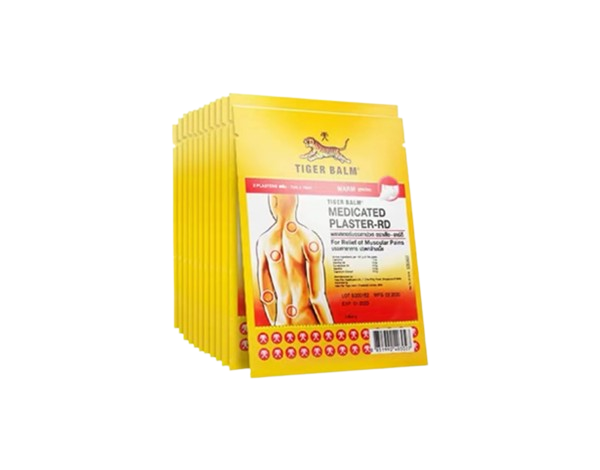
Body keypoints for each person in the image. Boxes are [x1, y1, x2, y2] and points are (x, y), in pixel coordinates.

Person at [256, 194, 334, 326]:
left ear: (274, 202)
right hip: (307, 322)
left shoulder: (264, 242)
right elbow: (316, 297)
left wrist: (275, 324)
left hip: (281, 324)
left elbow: (266, 295)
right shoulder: (308, 238)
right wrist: (332, 329)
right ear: (295, 201)